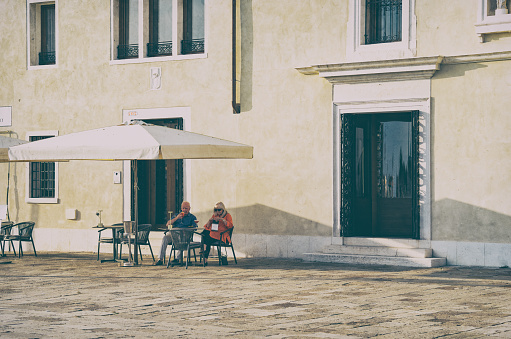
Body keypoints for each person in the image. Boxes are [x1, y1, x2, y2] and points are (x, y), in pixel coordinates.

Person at [154, 201, 197, 266]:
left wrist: (188, 229)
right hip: (174, 233)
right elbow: (168, 224)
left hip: (185, 234)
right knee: (165, 238)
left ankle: (178, 259)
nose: (184, 210)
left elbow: (195, 227)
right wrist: (177, 218)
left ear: (189, 209)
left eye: (186, 208)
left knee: (181, 237)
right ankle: (160, 259)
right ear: (181, 209)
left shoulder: (192, 217)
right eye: (183, 208)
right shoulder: (177, 215)